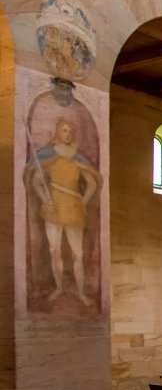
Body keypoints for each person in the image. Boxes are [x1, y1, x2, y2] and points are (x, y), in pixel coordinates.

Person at [26, 118, 101, 306]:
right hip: (53, 206)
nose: (67, 134)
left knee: (78, 253)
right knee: (54, 250)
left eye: (70, 131)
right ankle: (59, 288)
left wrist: (82, 202)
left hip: (73, 206)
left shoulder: (77, 157)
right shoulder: (48, 155)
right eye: (64, 130)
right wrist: (46, 199)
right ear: (58, 132)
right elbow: (36, 181)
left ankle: (81, 292)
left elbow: (92, 184)